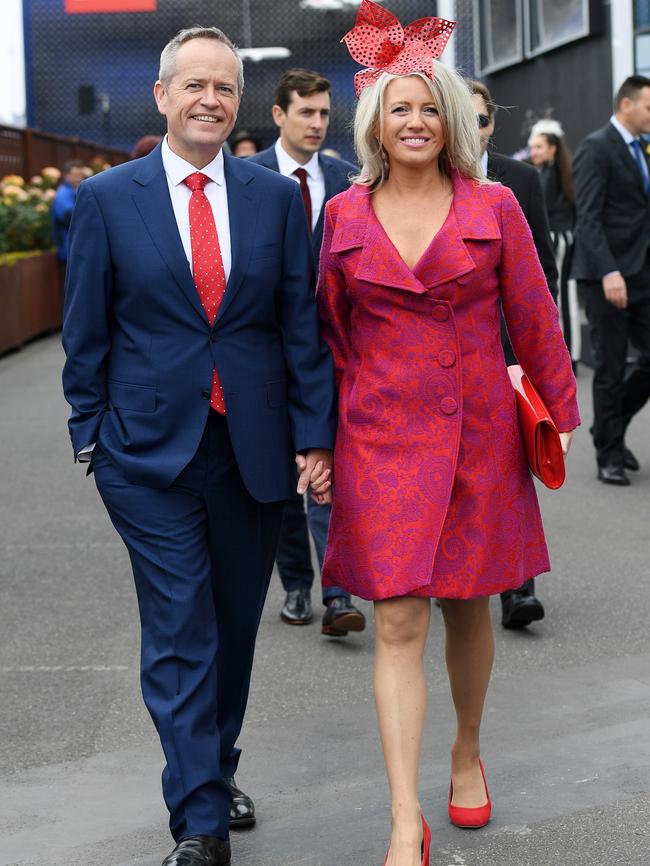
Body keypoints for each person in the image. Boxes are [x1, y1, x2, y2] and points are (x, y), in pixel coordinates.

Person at [62, 26, 336, 866]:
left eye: (223, 88)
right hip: (146, 456)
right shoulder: (112, 200)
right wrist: (91, 439)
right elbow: (86, 333)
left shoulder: (270, 199)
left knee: (231, 629)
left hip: (251, 450)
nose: (210, 100)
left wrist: (312, 434)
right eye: (194, 87)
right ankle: (200, 823)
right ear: (162, 96)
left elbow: (300, 324)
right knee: (182, 628)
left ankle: (211, 767)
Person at [315, 4, 580, 864]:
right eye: (400, 108)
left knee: (470, 605)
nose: (416, 121)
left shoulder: (495, 205)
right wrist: (324, 439)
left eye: (430, 106)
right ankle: (403, 815)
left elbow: (535, 319)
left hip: (479, 436)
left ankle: (466, 752)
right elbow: (329, 335)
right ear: (376, 125)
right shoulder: (345, 219)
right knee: (395, 621)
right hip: (380, 439)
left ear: (454, 119)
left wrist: (561, 415)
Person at [249, 69, 366, 637]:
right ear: (279, 115)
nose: (318, 123)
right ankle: (296, 584)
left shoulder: (349, 181)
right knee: (280, 475)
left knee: (329, 467)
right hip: (265, 352)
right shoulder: (246, 180)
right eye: (306, 113)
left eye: (324, 114)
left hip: (330, 350)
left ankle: (337, 591)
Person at [468, 79, 558, 630]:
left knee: (514, 468)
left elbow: (541, 274)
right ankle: (462, 568)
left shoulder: (520, 180)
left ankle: (517, 588)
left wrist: (549, 358)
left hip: (511, 353)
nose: (474, 129)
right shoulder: (429, 176)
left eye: (482, 120)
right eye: (465, 117)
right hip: (455, 357)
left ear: (492, 123)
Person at [572, 75, 650, 486]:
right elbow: (588, 218)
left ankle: (611, 428)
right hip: (609, 277)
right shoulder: (596, 147)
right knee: (611, 365)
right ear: (626, 105)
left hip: (642, 274)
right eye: (649, 107)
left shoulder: (643, 150)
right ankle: (609, 455)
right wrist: (609, 271)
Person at [528, 119, 581, 367]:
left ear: (552, 148)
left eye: (538, 147)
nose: (533, 152)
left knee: (558, 294)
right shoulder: (561, 172)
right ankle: (570, 350)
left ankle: (566, 351)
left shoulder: (547, 176)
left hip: (556, 239)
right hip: (564, 238)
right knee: (564, 293)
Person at [51, 159, 85, 266]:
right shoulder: (62, 194)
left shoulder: (80, 191)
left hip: (80, 248)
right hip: (69, 249)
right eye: (75, 174)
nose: (79, 178)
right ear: (66, 175)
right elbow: (70, 218)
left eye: (80, 174)